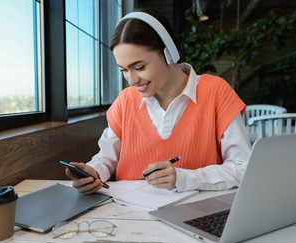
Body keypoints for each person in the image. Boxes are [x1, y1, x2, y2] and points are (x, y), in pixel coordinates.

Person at [65, 9, 251, 194]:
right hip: (127, 214)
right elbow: (107, 158)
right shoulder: (125, 101)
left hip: (195, 216)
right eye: (123, 70)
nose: (131, 80)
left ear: (169, 53)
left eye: (139, 67)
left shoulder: (216, 92)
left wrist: (186, 178)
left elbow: (243, 167)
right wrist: (93, 172)